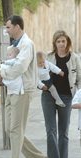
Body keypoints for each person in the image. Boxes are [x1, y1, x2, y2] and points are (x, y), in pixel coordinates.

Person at [0, 15, 47, 158]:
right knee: (10, 129)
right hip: (12, 90)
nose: (6, 30)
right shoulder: (14, 45)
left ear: (17, 27)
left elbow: (20, 67)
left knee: (15, 129)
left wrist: (1, 71)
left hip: (22, 91)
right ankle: (38, 156)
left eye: (8, 27)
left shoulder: (27, 44)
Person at [41, 30, 81, 158]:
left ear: (67, 42)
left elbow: (79, 79)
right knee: (50, 131)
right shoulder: (48, 56)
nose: (61, 44)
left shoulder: (75, 58)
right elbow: (38, 72)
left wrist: (78, 97)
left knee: (64, 132)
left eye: (63, 41)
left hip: (66, 97)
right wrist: (41, 85)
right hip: (48, 96)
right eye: (58, 41)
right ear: (55, 43)